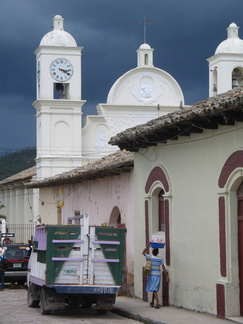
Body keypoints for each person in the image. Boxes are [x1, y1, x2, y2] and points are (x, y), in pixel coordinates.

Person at [142, 242, 170, 309]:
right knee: (155, 289)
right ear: (158, 253)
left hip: (152, 275)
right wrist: (167, 276)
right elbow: (163, 268)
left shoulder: (150, 257)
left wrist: (148, 245)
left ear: (152, 252)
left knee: (154, 289)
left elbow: (143, 252)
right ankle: (152, 302)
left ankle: (158, 302)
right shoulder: (160, 259)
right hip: (158, 275)